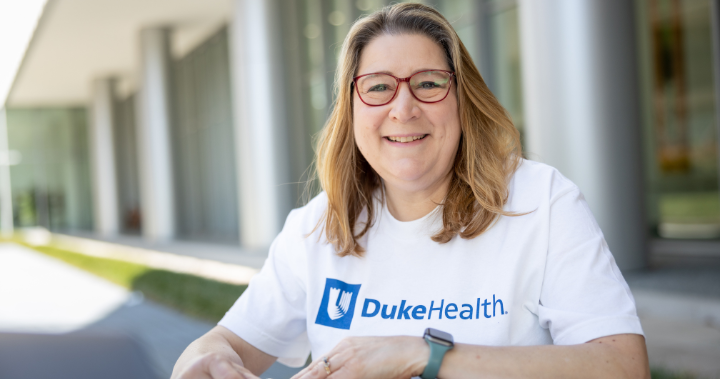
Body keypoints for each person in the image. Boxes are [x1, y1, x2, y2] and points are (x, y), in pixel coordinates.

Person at [172, 3, 650, 379]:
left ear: (463, 100)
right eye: (378, 87)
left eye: (428, 83)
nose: (403, 108)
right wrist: (201, 361)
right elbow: (227, 345)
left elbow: (622, 366)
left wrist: (420, 355)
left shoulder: (540, 202)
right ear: (352, 110)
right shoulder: (318, 227)